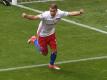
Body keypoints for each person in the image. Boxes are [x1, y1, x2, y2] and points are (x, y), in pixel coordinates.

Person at [22, 3, 84, 70]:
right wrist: (26, 16)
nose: (52, 12)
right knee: (44, 53)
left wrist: (79, 12)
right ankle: (34, 40)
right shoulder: (45, 15)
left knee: (54, 50)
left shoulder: (60, 13)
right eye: (51, 11)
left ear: (56, 10)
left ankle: (51, 64)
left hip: (51, 34)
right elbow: (34, 17)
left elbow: (70, 13)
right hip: (42, 35)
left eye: (53, 11)